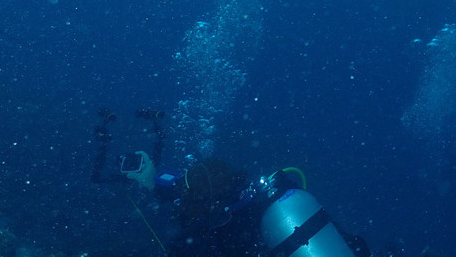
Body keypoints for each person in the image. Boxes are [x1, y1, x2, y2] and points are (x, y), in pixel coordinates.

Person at [92, 109, 372, 257]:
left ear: (205, 197)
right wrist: (152, 182)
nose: (182, 195)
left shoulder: (211, 231)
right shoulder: (249, 203)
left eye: (188, 192)